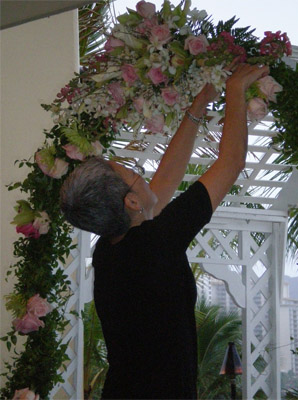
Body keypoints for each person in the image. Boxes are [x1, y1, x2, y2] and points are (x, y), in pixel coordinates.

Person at [60, 62, 269, 399]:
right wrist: (235, 91)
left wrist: (199, 104)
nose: (142, 174)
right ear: (130, 202)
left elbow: (165, 178)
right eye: (132, 172)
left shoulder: (113, 249)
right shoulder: (153, 243)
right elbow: (230, 163)